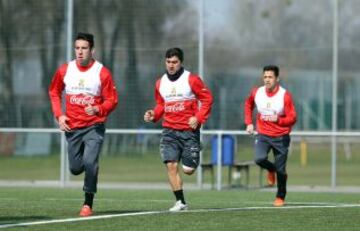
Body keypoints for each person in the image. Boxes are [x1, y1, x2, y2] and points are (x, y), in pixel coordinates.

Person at [49, 32, 118, 216]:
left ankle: (88, 203)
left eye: (84, 48)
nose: (80, 52)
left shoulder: (101, 72)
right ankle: (89, 169)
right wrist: (60, 116)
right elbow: (54, 92)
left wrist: (98, 109)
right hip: (72, 128)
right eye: (77, 48)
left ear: (92, 50)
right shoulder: (65, 70)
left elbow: (112, 100)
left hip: (94, 126)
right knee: (75, 168)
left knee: (90, 162)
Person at [144, 47, 213, 212]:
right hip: (169, 131)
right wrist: (153, 114)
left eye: (174, 62)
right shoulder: (160, 83)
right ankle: (180, 202)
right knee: (171, 166)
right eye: (168, 62)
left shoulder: (192, 79)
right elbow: (161, 104)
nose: (171, 65)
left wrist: (198, 117)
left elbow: (207, 99)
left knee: (188, 170)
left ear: (180, 62)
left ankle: (196, 145)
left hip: (189, 131)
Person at [244, 65, 296, 207]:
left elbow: (293, 118)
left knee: (281, 170)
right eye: (265, 77)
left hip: (281, 137)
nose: (267, 80)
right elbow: (248, 104)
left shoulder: (285, 95)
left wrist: (278, 120)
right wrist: (249, 123)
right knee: (259, 158)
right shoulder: (257, 92)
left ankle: (280, 196)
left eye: (270, 77)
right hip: (263, 135)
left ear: (277, 79)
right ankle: (270, 168)